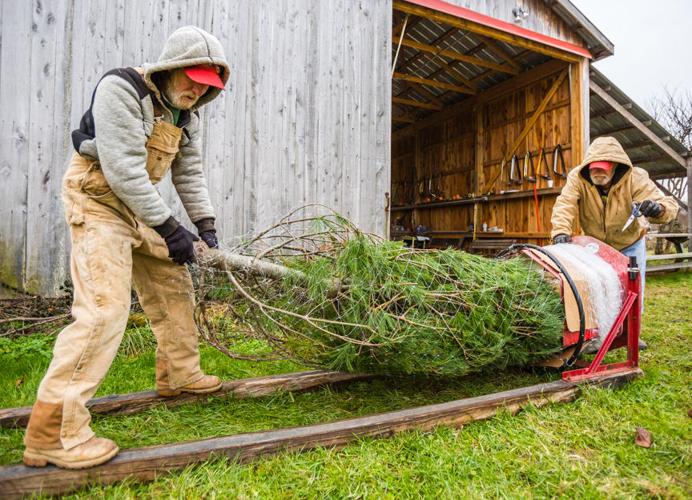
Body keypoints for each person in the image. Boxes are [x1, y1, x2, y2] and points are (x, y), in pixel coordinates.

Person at [22, 26, 230, 469]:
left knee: (174, 283)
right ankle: (53, 433)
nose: (197, 90)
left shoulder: (185, 118)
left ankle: (179, 375)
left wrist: (204, 226)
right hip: (97, 198)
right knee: (103, 310)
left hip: (138, 207)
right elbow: (121, 169)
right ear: (171, 69)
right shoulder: (121, 88)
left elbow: (188, 176)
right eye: (192, 78)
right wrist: (171, 228)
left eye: (206, 85)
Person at [551, 136, 678, 307]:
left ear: (616, 166)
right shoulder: (577, 178)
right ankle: (605, 331)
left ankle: (632, 333)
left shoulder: (635, 177)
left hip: (630, 243)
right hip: (596, 246)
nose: (598, 173)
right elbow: (565, 204)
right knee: (598, 289)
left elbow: (668, 205)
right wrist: (560, 231)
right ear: (588, 166)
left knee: (633, 291)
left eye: (603, 169)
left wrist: (659, 208)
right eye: (594, 169)